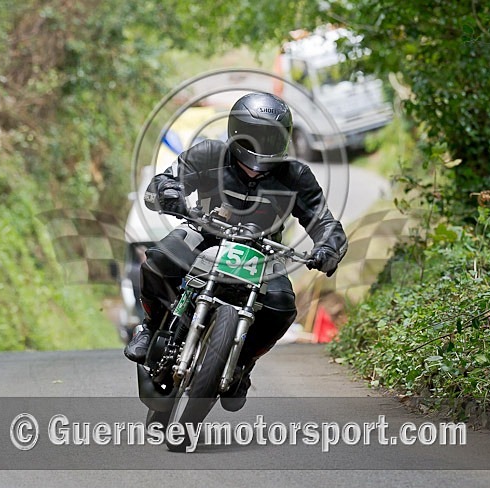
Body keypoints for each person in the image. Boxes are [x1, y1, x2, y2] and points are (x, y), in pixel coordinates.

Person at [124, 91, 347, 411]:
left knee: (282, 307)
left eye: (271, 137)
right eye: (254, 137)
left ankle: (242, 363)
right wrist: (169, 192)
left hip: (263, 253)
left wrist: (328, 246)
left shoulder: (296, 176)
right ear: (235, 131)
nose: (262, 146)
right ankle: (149, 327)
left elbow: (324, 222)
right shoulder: (208, 154)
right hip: (204, 235)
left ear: (284, 138)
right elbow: (164, 181)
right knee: (158, 261)